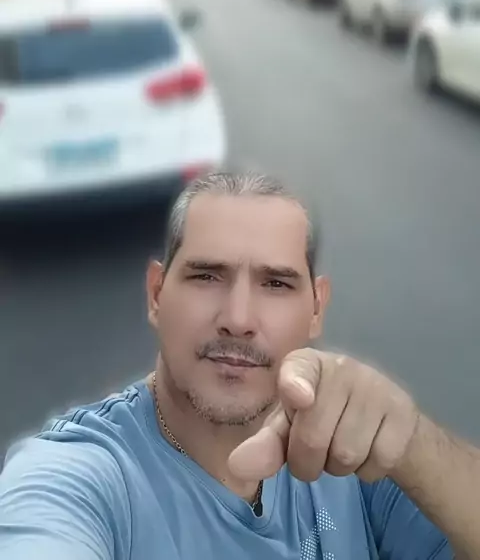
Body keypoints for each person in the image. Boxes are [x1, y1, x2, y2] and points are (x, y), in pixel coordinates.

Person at [0, 171, 478, 559]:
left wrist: (413, 441)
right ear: (156, 294)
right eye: (207, 276)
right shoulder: (83, 476)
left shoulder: (351, 452)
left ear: (317, 307)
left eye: (276, 284)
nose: (238, 319)